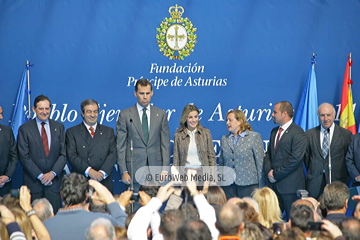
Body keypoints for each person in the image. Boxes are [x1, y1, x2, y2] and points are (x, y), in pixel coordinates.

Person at [116, 78, 170, 190]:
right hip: (134, 170)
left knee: (155, 204)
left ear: (152, 93)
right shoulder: (125, 115)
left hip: (156, 170)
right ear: (135, 94)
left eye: (147, 93)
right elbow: (120, 146)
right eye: (141, 93)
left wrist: (165, 169)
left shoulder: (160, 114)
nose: (145, 97)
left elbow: (165, 144)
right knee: (135, 205)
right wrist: (124, 171)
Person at [17, 95, 66, 213]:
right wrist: (40, 175)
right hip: (34, 183)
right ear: (34, 109)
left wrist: (52, 174)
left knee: (55, 221)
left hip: (54, 184)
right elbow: (24, 156)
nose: (44, 112)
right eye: (41, 109)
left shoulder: (59, 127)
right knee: (33, 220)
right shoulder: (25, 129)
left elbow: (63, 154)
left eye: (47, 109)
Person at [43, 173, 127, 240]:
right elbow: (124, 228)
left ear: (61, 195)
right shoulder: (102, 221)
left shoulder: (44, 226)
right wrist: (109, 199)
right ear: (86, 196)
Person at [264, 101, 307, 220]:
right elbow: (268, 155)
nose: (272, 114)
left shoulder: (298, 132)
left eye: (275, 112)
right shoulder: (274, 131)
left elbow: (295, 159)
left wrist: (276, 174)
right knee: (271, 221)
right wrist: (268, 171)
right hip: (274, 187)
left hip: (290, 188)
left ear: (284, 114)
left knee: (292, 222)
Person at [66, 99, 116, 191]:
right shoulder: (72, 132)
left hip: (103, 180)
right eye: (89, 112)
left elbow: (113, 153)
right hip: (81, 180)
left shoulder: (108, 131)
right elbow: (71, 155)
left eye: (95, 111)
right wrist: (89, 171)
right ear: (82, 113)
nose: (92, 115)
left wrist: (101, 173)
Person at [305, 103, 352, 199]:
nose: (325, 118)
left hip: (337, 182)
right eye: (322, 115)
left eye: (328, 115)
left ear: (334, 115)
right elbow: (306, 158)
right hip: (315, 182)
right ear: (318, 116)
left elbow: (348, 158)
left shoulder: (346, 134)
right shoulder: (309, 134)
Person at [219, 109, 265, 199]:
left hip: (248, 184)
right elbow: (222, 163)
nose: (227, 123)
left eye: (230, 120)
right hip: (229, 186)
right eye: (226, 120)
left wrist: (261, 186)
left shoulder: (254, 137)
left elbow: (260, 163)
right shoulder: (225, 139)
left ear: (240, 121)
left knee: (248, 212)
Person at [173, 104, 216, 170]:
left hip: (203, 174)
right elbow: (176, 159)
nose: (194, 120)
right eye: (190, 117)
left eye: (196, 117)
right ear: (185, 118)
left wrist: (212, 177)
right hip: (186, 175)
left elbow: (211, 157)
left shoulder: (206, 133)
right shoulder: (178, 135)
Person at [0, 106, 18, 197]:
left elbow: (13, 155)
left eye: (1, 113)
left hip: (5, 186)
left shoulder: (7, 131)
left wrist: (7, 176)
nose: (1, 117)